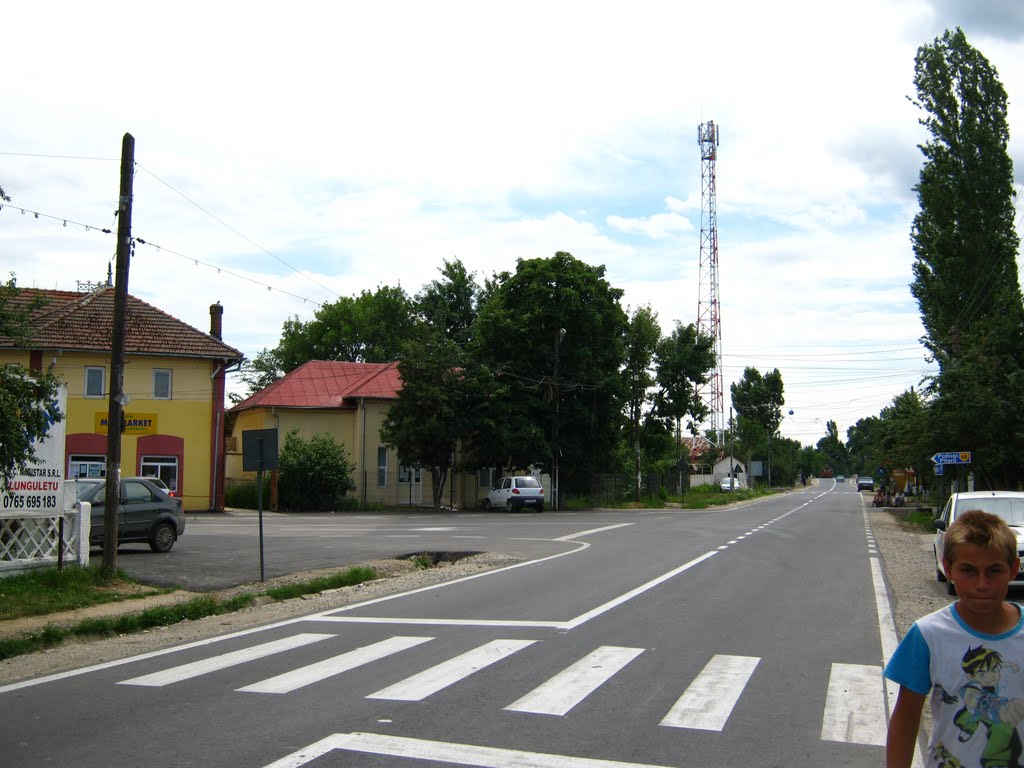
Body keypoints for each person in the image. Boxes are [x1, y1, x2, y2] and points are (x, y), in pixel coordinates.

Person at [884, 509, 1024, 768]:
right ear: (948, 569)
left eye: (994, 571)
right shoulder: (928, 635)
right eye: (969, 570)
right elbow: (905, 720)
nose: (982, 584)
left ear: (1013, 569)